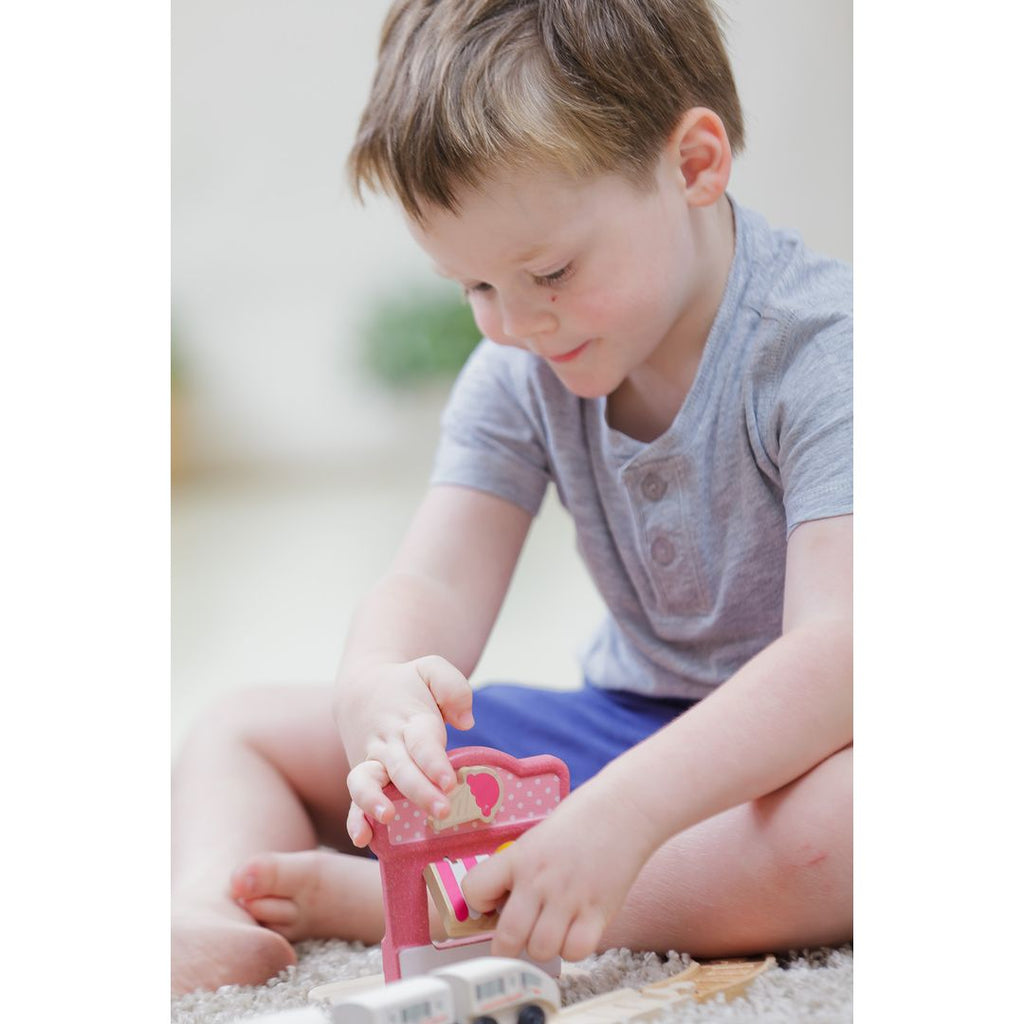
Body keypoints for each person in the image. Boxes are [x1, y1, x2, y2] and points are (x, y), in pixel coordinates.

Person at [171, 0, 852, 995]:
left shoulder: (821, 354)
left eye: (549, 272)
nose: (513, 324)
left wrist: (624, 816)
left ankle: (432, 898)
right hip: (625, 721)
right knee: (241, 727)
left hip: (805, 757)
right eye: (473, 288)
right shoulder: (520, 370)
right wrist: (379, 687)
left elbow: (840, 659)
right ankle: (206, 900)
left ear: (694, 165)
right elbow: (435, 579)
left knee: (868, 820)